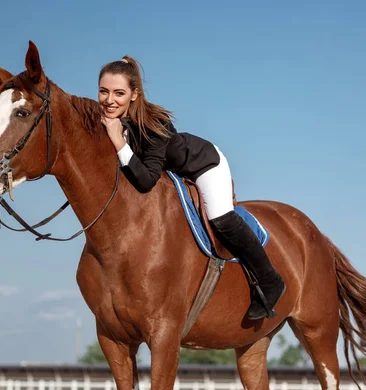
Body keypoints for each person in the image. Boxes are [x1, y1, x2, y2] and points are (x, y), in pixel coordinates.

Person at [98, 56, 286, 320]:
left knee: (220, 219)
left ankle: (271, 280)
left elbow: (146, 180)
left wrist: (118, 141)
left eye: (119, 93)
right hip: (173, 175)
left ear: (134, 94)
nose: (109, 100)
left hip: (204, 165)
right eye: (104, 91)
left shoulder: (154, 125)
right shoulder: (105, 120)